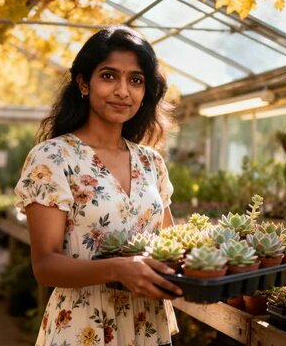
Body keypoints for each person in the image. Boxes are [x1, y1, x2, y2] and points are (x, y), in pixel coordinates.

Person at [14, 25, 182, 346]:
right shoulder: (52, 158)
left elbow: (170, 245)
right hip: (83, 326)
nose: (123, 90)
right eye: (109, 76)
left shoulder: (151, 162)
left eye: (135, 80)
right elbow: (45, 266)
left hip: (147, 324)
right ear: (83, 83)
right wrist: (118, 270)